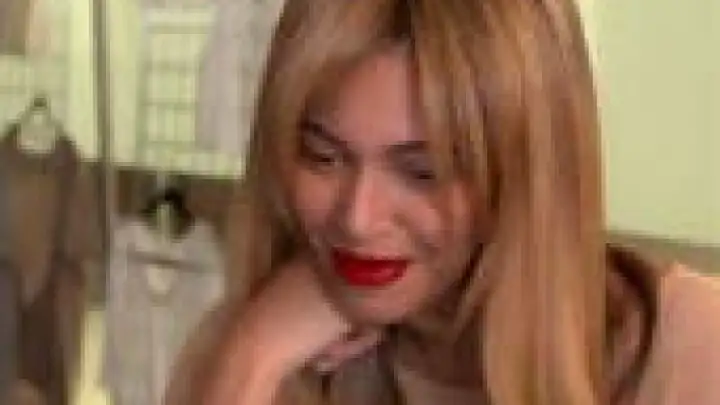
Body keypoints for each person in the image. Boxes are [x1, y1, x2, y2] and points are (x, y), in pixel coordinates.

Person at [166, 1, 720, 404]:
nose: (358, 219)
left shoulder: (695, 347)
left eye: (422, 173)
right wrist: (250, 362)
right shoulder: (247, 345)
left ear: (527, 176)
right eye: (322, 156)